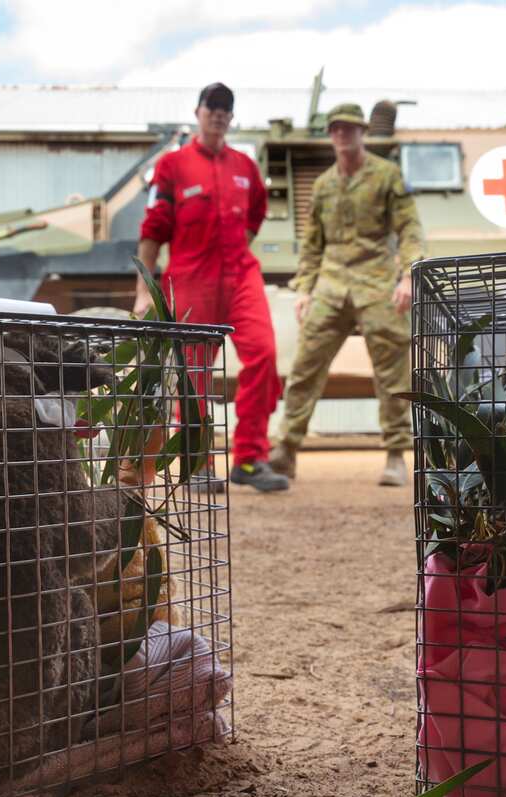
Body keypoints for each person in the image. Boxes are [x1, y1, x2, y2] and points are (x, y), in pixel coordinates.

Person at [134, 82, 289, 492]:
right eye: (212, 105)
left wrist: (233, 251)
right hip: (191, 276)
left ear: (231, 117)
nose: (219, 113)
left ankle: (251, 460)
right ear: (198, 112)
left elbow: (255, 215)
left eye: (226, 107)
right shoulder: (173, 167)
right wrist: (142, 289)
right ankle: (197, 462)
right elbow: (152, 231)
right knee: (195, 373)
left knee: (264, 354)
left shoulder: (245, 167)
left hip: (240, 273)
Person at [268, 103, 426, 487]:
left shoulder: (387, 176)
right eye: (337, 129)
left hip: (377, 284)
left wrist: (409, 276)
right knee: (305, 367)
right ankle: (286, 450)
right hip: (332, 285)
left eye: (350, 129)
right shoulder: (323, 185)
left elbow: (409, 229)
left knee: (392, 373)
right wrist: (304, 289)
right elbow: (312, 245)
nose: (343, 135)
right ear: (332, 134)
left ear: (361, 133)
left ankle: (394, 454)